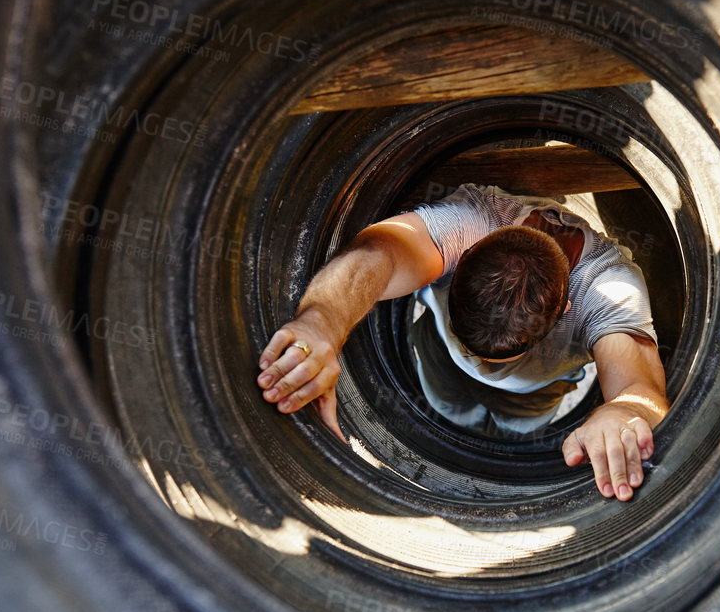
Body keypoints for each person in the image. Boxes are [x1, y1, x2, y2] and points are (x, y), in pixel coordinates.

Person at [255, 183, 668, 502]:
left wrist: (621, 413)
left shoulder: (609, 289)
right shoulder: (470, 219)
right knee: (449, 407)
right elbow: (380, 252)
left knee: (515, 426)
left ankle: (499, 431)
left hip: (533, 392)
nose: (483, 363)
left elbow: (639, 388)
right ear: (463, 254)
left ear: (566, 310)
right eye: (473, 347)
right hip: (441, 359)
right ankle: (469, 416)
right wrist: (321, 323)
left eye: (498, 356)